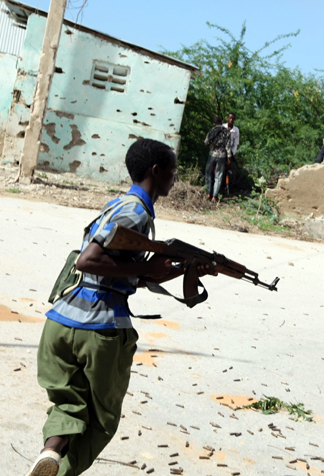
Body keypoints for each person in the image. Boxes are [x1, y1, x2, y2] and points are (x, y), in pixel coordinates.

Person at [26, 138, 214, 476]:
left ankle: (50, 453)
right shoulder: (135, 212)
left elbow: (125, 271)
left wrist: (181, 270)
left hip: (60, 323)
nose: (175, 177)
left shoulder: (118, 204)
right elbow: (88, 261)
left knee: (69, 405)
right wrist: (147, 267)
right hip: (99, 329)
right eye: (172, 170)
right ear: (156, 171)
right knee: (100, 422)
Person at [204, 117, 232, 202]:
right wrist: (229, 158)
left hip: (212, 153)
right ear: (222, 122)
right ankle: (215, 196)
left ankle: (208, 193)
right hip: (222, 155)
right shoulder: (227, 132)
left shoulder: (212, 131)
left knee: (208, 173)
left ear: (214, 123)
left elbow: (206, 142)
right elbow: (228, 146)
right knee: (219, 175)